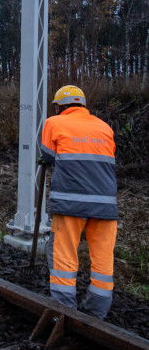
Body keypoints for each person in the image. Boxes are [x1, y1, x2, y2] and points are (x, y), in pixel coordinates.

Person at [40, 85, 117, 320]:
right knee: (103, 260)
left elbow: (48, 155)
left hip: (70, 202)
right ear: (83, 105)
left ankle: (64, 310)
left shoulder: (53, 122)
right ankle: (96, 312)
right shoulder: (104, 127)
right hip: (106, 204)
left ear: (58, 106)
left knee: (63, 254)